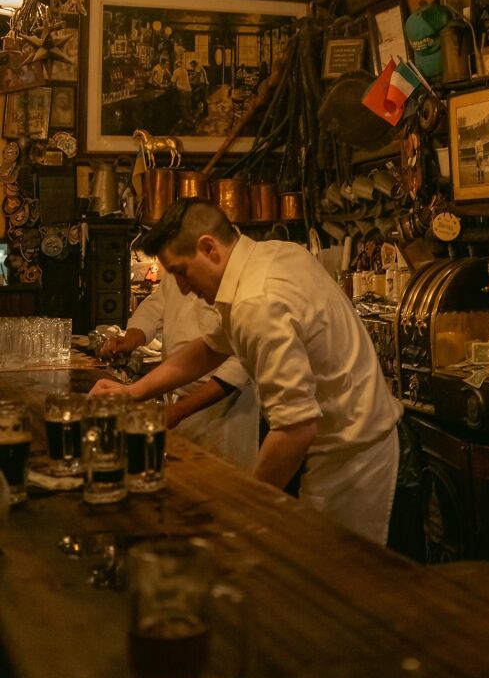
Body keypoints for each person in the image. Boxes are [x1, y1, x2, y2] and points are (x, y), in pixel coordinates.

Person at [92, 200, 402, 545]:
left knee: (336, 578)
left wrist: (242, 507)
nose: (181, 287)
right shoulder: (270, 256)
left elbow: (295, 430)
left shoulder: (257, 302)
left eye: (181, 271)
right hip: (338, 438)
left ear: (208, 247)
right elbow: (210, 348)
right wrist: (133, 393)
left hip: (353, 450)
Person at [100, 270, 259, 471]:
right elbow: (155, 306)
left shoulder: (247, 280)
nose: (184, 287)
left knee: (221, 483)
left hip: (223, 409)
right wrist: (131, 338)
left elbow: (241, 360)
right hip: (173, 401)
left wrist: (180, 410)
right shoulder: (180, 267)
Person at [171, 58, 194, 129]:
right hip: (189, 91)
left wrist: (173, 85)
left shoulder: (176, 71)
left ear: (176, 65)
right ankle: (188, 124)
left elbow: (173, 81)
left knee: (183, 109)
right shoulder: (184, 70)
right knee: (188, 108)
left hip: (183, 92)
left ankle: (191, 122)